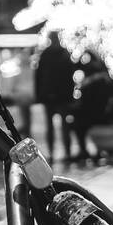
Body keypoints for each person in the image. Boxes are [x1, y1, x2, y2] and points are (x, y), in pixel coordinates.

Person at [69, 53, 113, 164]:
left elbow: (85, 102)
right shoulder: (105, 79)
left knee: (78, 125)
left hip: (96, 115)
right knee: (79, 124)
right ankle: (88, 151)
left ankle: (84, 151)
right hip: (100, 114)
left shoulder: (91, 82)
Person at [33, 31, 76, 162]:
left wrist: (40, 94)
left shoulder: (46, 54)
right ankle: (65, 153)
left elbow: (39, 76)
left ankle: (53, 153)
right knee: (64, 126)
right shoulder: (64, 53)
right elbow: (70, 77)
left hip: (50, 95)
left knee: (52, 126)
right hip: (60, 95)